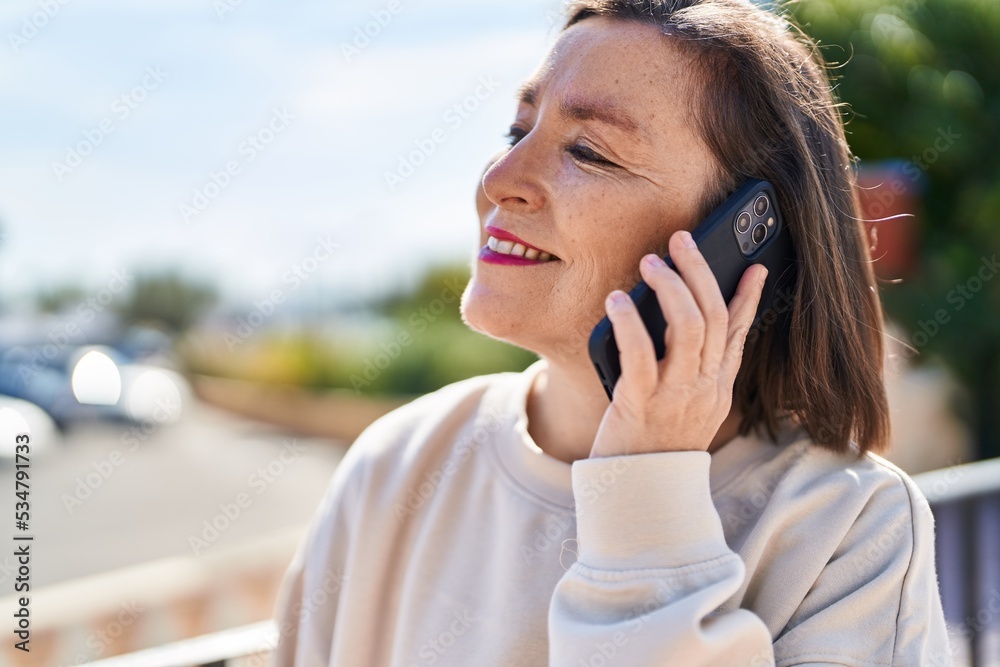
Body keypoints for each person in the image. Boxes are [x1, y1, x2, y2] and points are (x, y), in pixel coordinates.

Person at [270, 1, 952, 665]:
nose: (500, 180)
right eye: (517, 132)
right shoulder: (397, 461)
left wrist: (647, 501)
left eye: (590, 152)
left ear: (745, 236)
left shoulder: (850, 532)